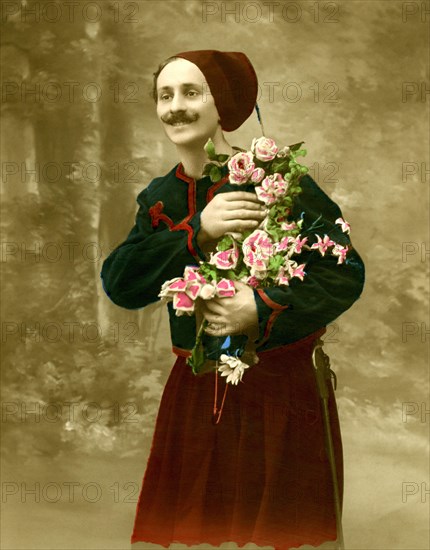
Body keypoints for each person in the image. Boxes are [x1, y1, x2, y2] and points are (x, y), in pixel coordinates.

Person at [100, 50, 365, 550]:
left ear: (222, 106)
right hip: (197, 393)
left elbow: (344, 271)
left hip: (282, 396)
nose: (175, 107)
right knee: (198, 534)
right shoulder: (158, 198)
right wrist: (196, 234)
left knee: (279, 535)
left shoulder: (275, 182)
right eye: (165, 95)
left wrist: (259, 307)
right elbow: (121, 283)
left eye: (191, 93)